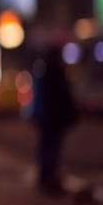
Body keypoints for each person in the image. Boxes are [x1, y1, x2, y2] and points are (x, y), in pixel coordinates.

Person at [30, 45, 79, 195]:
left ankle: (45, 178)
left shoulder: (43, 70)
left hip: (46, 117)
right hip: (54, 118)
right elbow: (62, 96)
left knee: (46, 147)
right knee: (52, 149)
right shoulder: (56, 71)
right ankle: (49, 180)